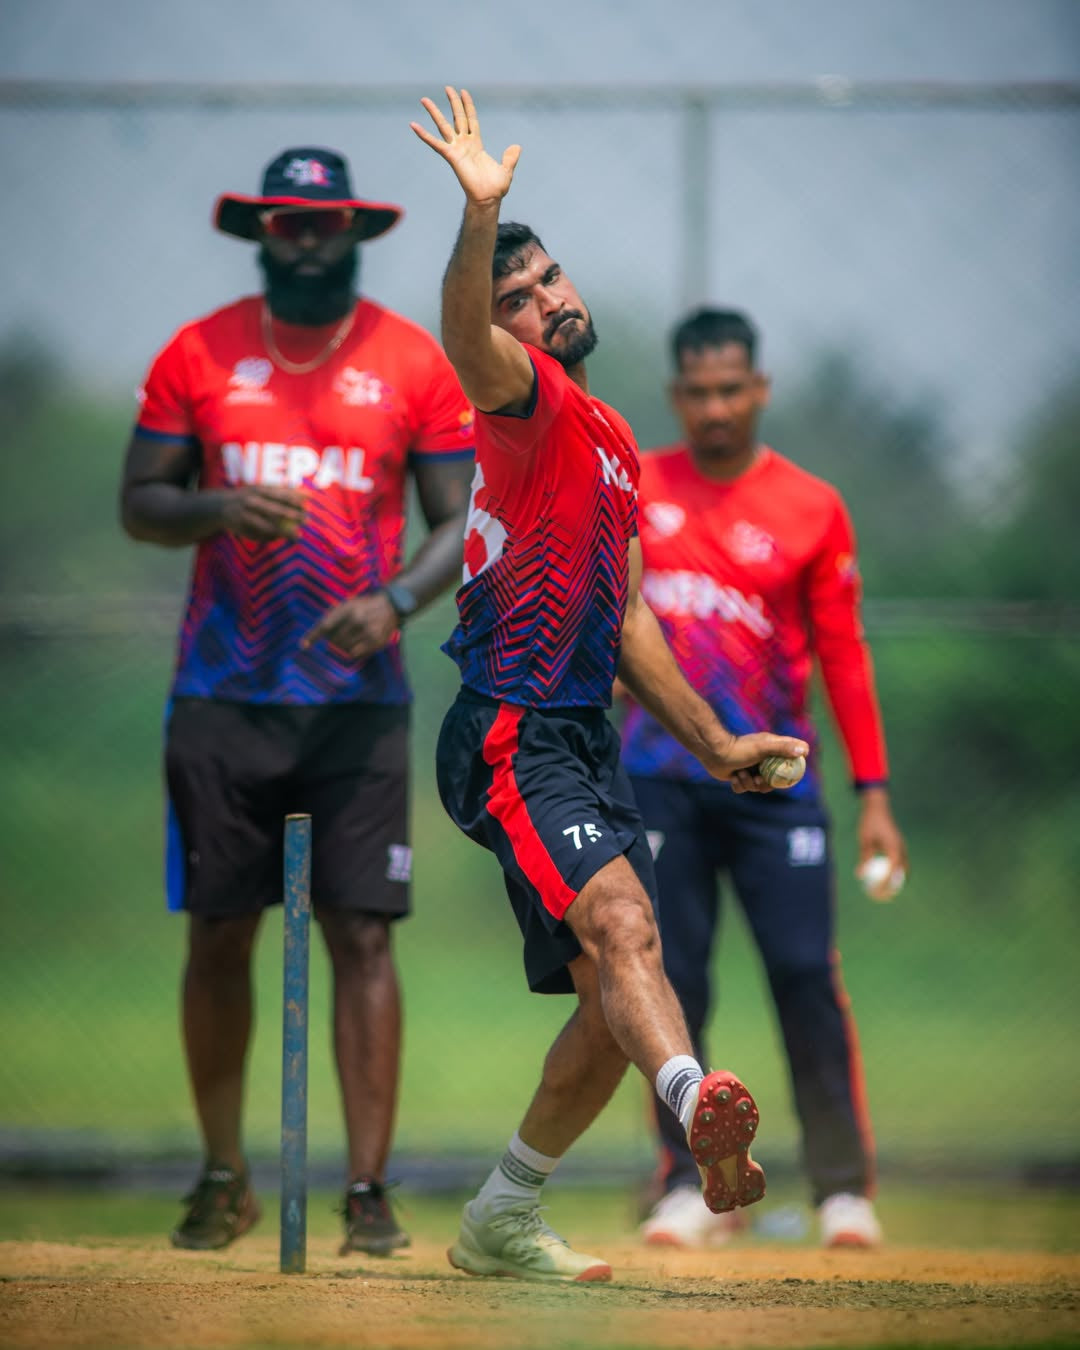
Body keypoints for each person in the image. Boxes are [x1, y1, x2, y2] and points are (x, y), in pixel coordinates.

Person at [409, 87, 809, 1284]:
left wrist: (717, 738)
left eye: (553, 282)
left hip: (583, 741)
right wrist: (481, 221)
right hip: (509, 730)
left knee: (605, 1001)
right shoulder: (520, 401)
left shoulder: (616, 442)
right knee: (629, 926)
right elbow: (464, 336)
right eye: (520, 298)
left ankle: (501, 1216)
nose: (548, 304)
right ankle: (695, 1110)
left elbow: (628, 613)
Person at [119, 146, 475, 1255]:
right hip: (223, 692)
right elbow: (141, 501)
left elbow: (460, 524)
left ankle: (368, 1191)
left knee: (363, 932)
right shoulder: (200, 353)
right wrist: (219, 503)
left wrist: (399, 602)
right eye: (289, 223)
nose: (308, 239)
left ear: (357, 235)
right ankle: (223, 1173)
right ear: (262, 234)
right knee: (221, 932)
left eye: (326, 224)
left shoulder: (414, 363)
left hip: (358, 701)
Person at [621, 307, 909, 1250]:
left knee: (802, 975)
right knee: (674, 981)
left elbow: (845, 655)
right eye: (697, 392)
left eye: (730, 389)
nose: (714, 408)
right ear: (676, 395)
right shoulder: (635, 488)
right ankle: (682, 1187)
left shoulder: (811, 505)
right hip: (657, 778)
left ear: (760, 389)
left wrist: (872, 794)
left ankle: (842, 1191)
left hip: (777, 782)